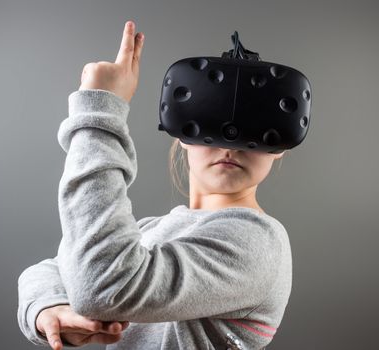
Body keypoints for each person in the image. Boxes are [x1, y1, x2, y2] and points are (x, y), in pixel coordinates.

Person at [17, 20, 292, 350]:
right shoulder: (152, 230)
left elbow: (103, 287)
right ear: (182, 136)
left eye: (252, 131)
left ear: (278, 147)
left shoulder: (257, 244)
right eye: (210, 124)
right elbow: (50, 269)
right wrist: (49, 307)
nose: (230, 144)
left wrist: (99, 107)